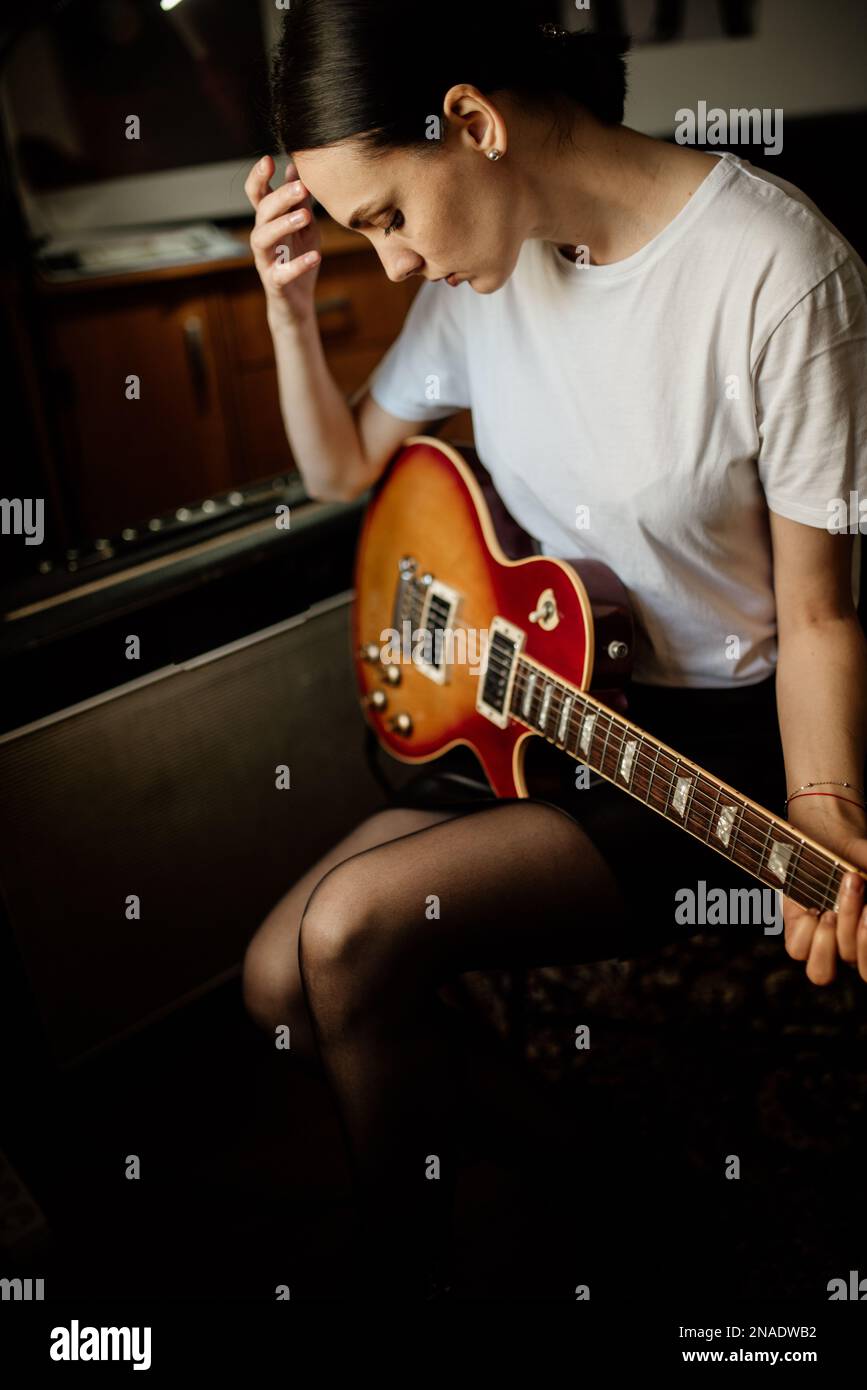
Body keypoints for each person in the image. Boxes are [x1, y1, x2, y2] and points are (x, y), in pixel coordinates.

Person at [240, 0, 867, 1299]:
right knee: (272, 981)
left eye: (390, 218)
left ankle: (408, 1294)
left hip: (708, 748)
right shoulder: (492, 265)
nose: (395, 264)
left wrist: (826, 815)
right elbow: (342, 467)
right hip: (539, 700)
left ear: (470, 121)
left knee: (349, 934)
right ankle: (601, 1171)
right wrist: (290, 311)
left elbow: (818, 616)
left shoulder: (780, 270)